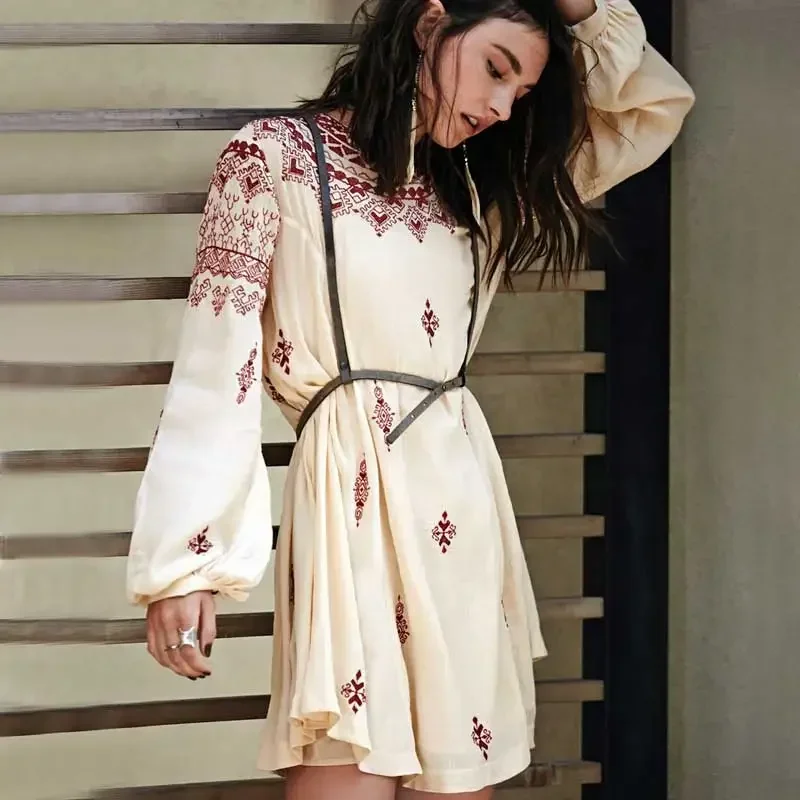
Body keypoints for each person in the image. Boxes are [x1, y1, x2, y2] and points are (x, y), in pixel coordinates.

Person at [126, 0, 694, 797]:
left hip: (460, 506)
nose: (502, 107)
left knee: (462, 778)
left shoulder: (484, 188)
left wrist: (582, 7)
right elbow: (217, 366)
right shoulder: (273, 160)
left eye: (522, 94)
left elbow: (649, 108)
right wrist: (187, 564)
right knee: (347, 765)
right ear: (430, 25)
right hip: (346, 507)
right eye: (495, 68)